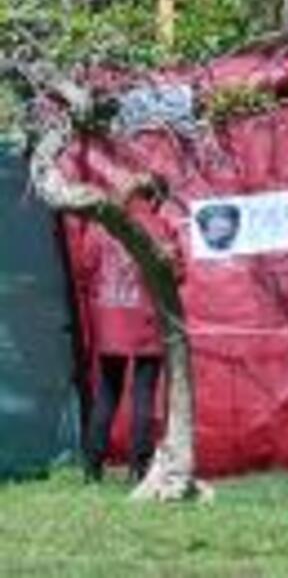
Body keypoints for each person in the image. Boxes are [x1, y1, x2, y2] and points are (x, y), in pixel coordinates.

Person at [77, 178, 184, 484]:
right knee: (143, 396)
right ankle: (140, 468)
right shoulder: (161, 227)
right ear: (154, 198)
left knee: (106, 394)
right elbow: (178, 273)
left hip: (109, 324)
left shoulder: (103, 225)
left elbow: (85, 269)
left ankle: (92, 468)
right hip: (147, 324)